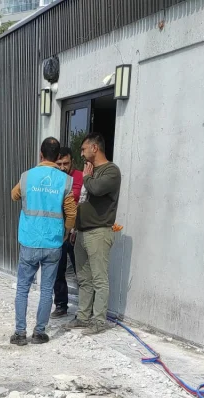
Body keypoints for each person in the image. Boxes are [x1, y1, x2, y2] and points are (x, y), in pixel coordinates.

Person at [10, 137, 76, 345]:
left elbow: (14, 195)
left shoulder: (27, 176)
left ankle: (20, 333)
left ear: (41, 154)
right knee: (47, 290)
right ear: (57, 156)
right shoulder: (65, 180)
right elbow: (71, 213)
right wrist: (66, 232)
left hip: (29, 240)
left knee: (23, 288)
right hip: (53, 242)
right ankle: (39, 332)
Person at [71, 133, 121, 334]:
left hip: (99, 232)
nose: (82, 154)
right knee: (84, 279)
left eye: (84, 149)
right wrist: (75, 228)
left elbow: (97, 189)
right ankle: (83, 317)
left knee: (99, 279)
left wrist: (86, 177)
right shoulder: (90, 171)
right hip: (82, 232)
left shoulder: (111, 171)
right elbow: (82, 200)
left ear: (95, 148)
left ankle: (99, 321)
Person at [52, 147, 84, 319]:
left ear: (72, 162)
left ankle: (85, 309)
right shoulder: (52, 179)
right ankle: (61, 305)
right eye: (59, 164)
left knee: (81, 272)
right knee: (58, 271)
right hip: (58, 232)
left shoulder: (80, 177)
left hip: (76, 232)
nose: (63, 167)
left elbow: (81, 201)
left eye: (66, 163)